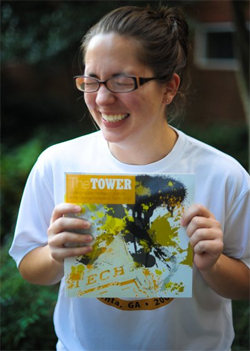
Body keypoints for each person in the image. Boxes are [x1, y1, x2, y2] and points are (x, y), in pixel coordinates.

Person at [9, 4, 250, 351]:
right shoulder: (58, 163)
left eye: (123, 81)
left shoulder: (223, 174)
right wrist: (54, 254)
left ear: (168, 88)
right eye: (91, 81)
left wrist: (213, 263)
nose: (103, 98)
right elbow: (30, 268)